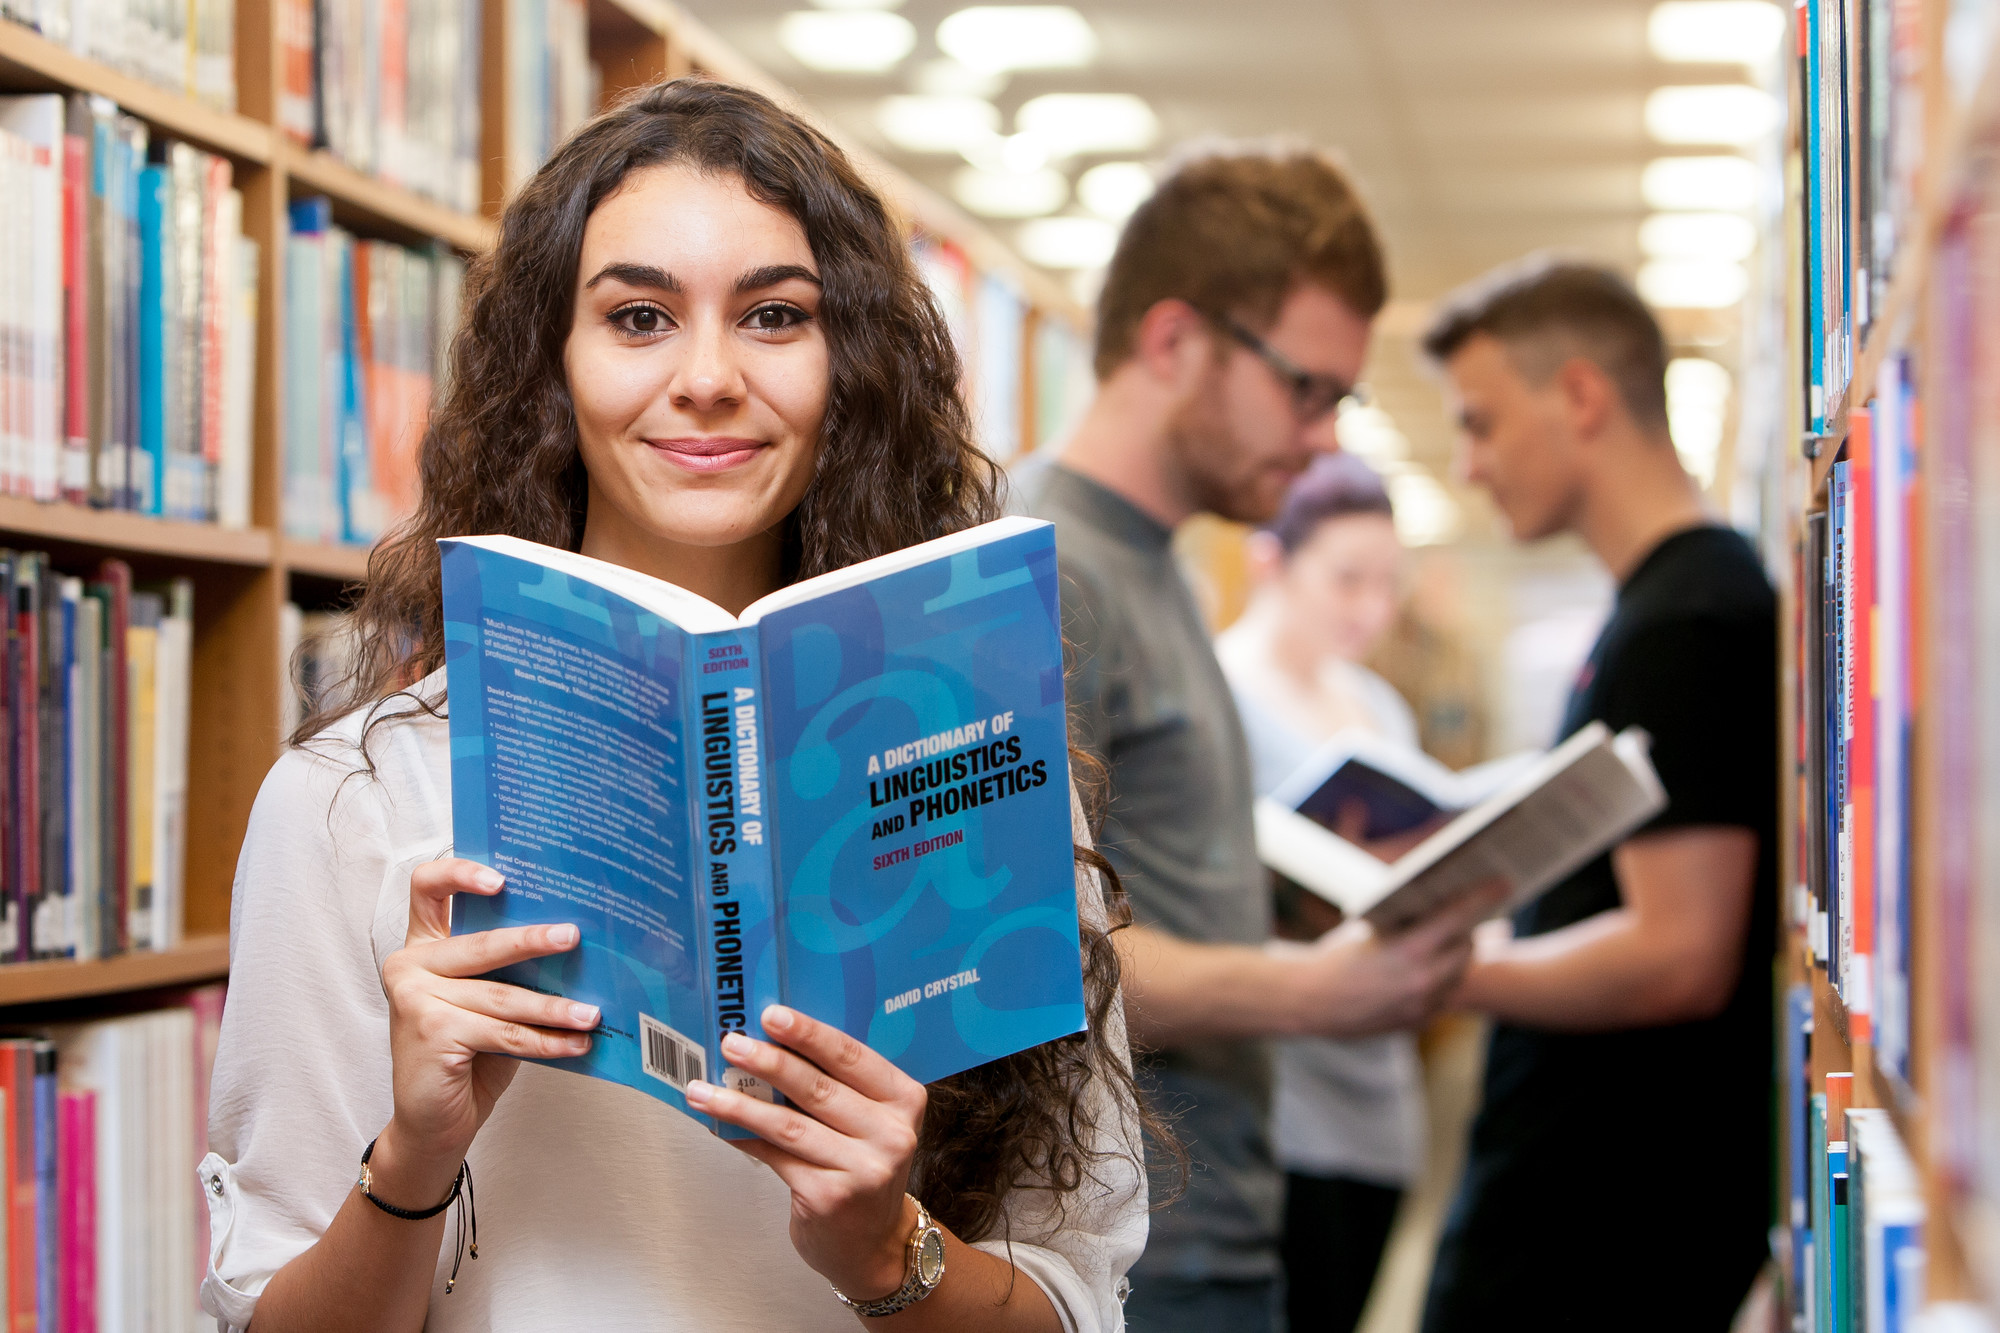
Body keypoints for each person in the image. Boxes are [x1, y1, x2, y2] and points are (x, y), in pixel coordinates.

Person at [199, 79, 1151, 1333]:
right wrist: (417, 1155)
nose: (706, 377)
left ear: (850, 363)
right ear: (553, 361)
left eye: (774, 316)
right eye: (639, 316)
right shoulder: (356, 801)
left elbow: (1074, 1299)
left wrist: (884, 1249)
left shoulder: (982, 764)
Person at [1019, 145, 1497, 1333]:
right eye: (1306, 387)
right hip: (1137, 1257)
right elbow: (1028, 953)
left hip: (1220, 1222)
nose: (1326, 437)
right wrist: (1311, 991)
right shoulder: (1046, 565)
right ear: (1175, 342)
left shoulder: (1158, 558)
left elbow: (1144, 884)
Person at [1416, 258, 1776, 1331]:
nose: (1467, 463)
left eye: (1479, 422)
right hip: (1588, 1198)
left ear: (1578, 395)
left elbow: (1677, 953)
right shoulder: (1660, 606)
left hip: (1606, 1226)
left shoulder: (1686, 621)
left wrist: (1445, 972)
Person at [1214, 454, 1426, 1333]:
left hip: (1382, 1095)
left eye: (1388, 583)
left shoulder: (1379, 703)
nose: (1371, 608)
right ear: (1273, 561)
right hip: (1283, 1105)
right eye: (1347, 579)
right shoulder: (1224, 696)